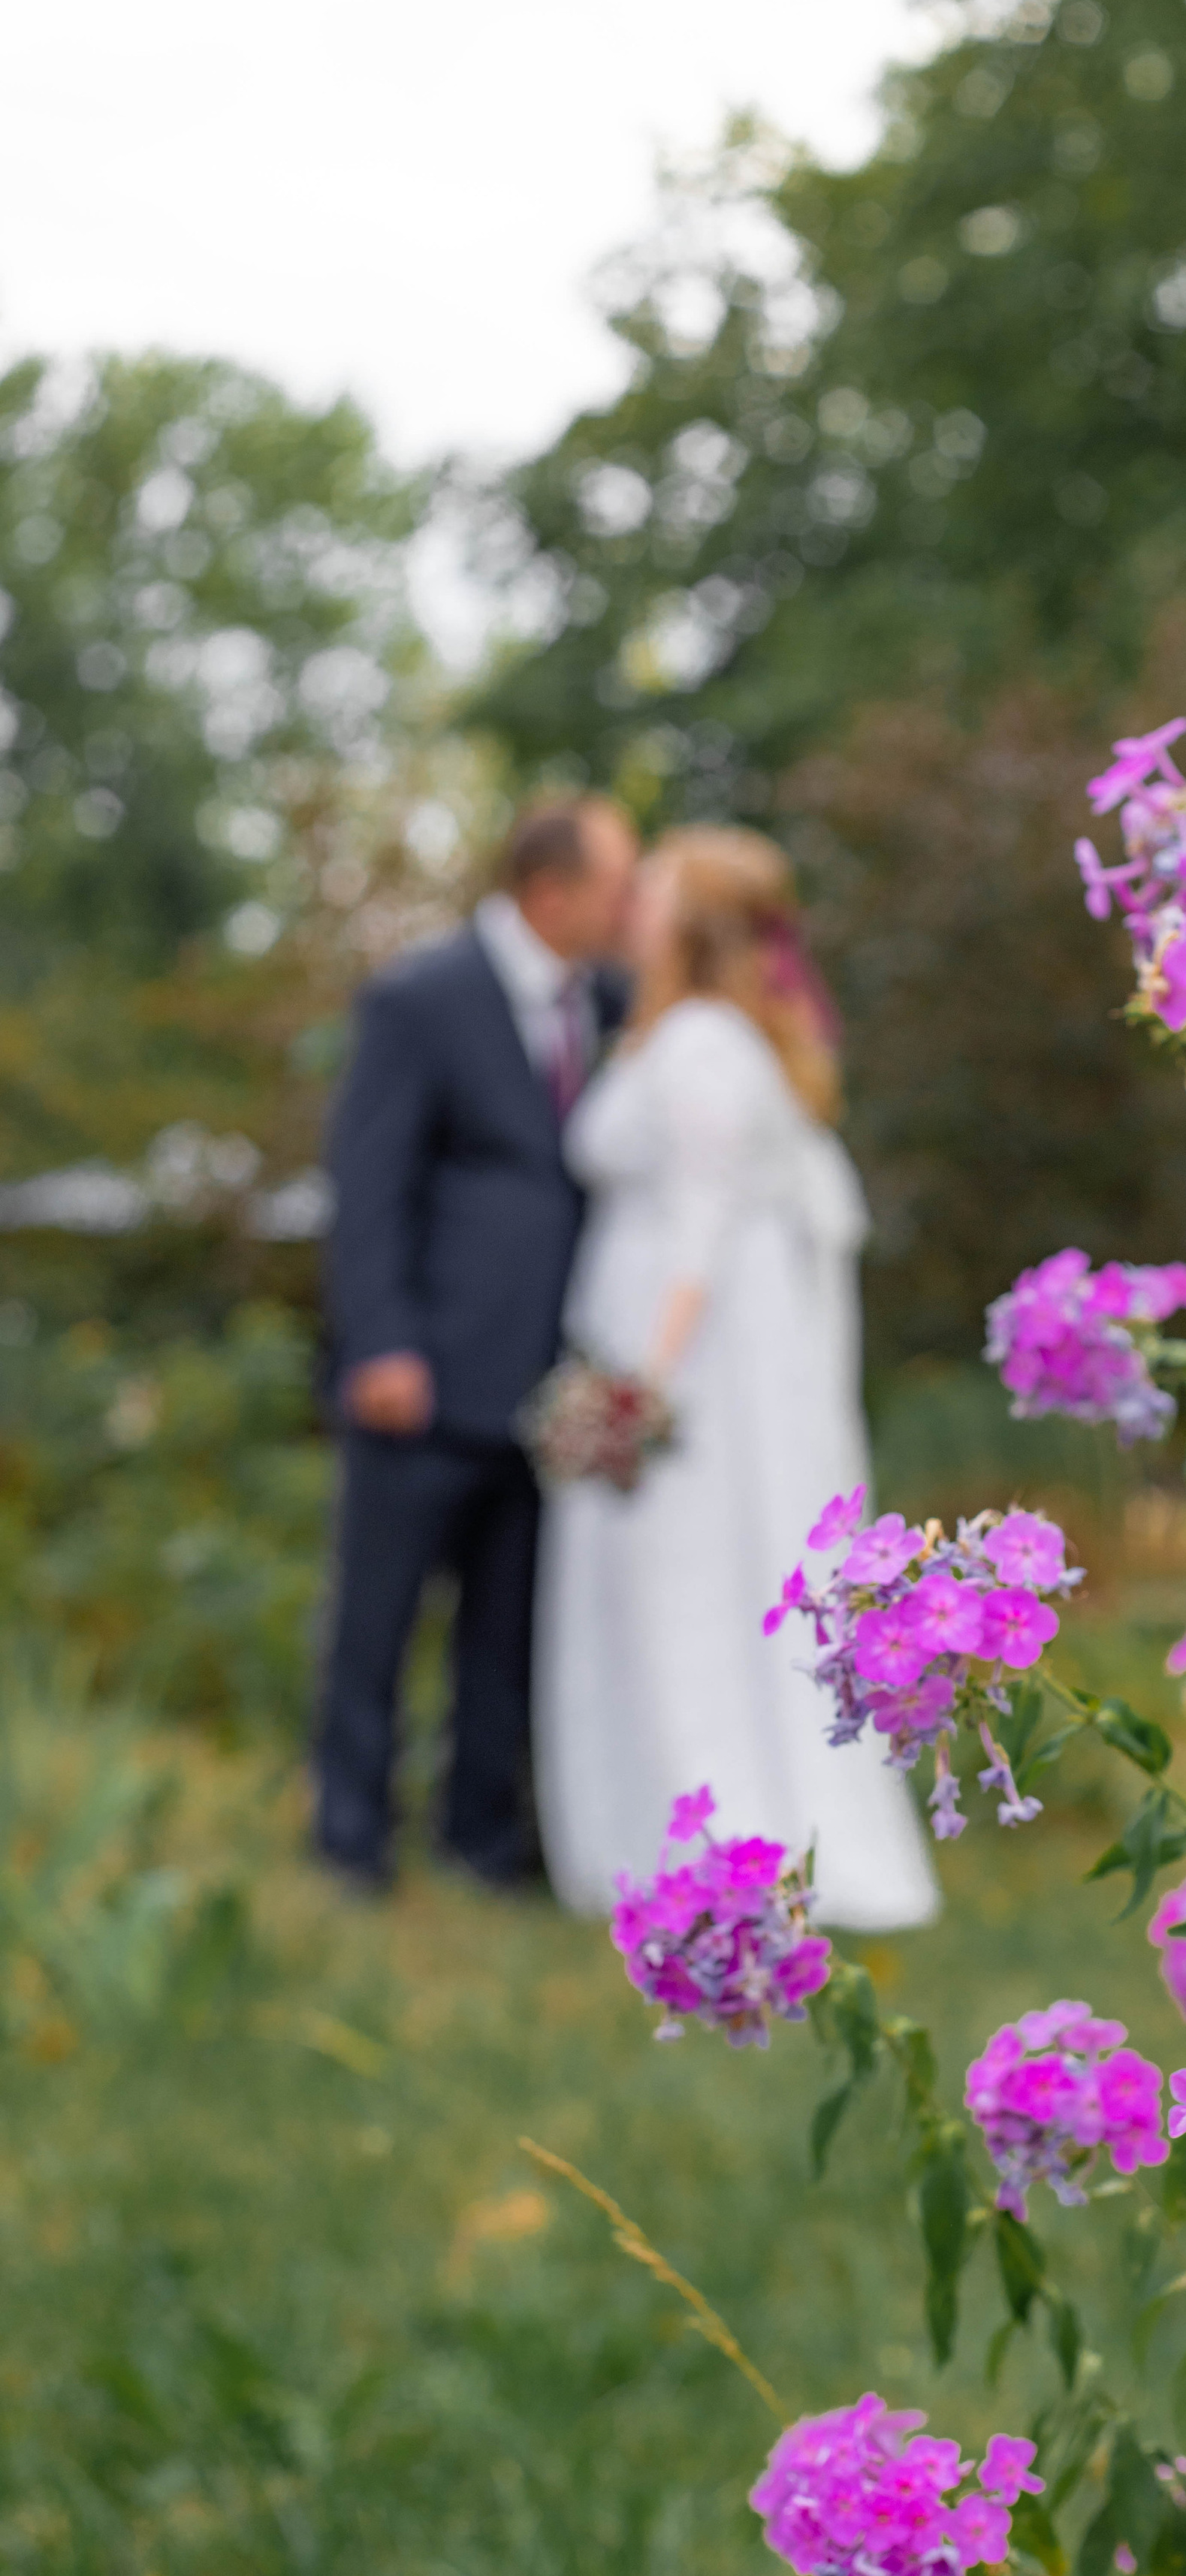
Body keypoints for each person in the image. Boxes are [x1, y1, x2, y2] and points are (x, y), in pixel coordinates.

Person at [535, 824, 939, 1930]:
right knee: (656, 1589)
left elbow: (702, 1231)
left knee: (692, 1588)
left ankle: (715, 1843)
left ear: (689, 921)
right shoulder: (678, 1034)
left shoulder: (708, 1043)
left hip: (695, 1372)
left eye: (651, 889)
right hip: (659, 1349)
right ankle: (648, 1834)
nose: (631, 904)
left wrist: (641, 1388)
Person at [314, 798, 639, 1893]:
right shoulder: (422, 997)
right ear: (551, 892)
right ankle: (351, 1840)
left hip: (551, 1384)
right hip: (427, 1372)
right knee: (380, 1621)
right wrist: (383, 1344)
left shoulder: (610, 1002)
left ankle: (484, 1840)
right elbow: (370, 1187)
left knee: (509, 1632)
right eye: (614, 885)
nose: (629, 906)